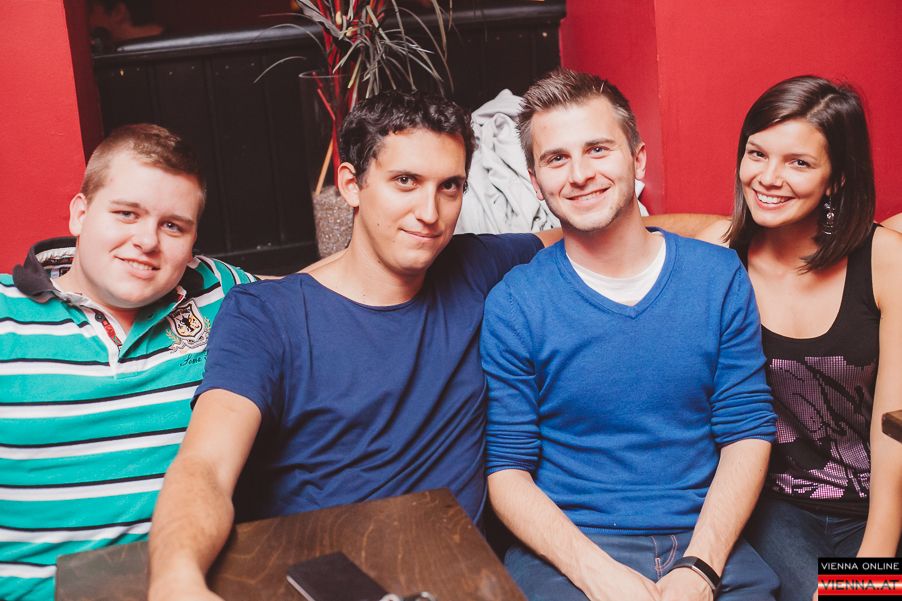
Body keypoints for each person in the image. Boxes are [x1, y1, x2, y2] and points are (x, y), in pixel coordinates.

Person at [147, 91, 559, 600]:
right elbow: (205, 465)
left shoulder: (477, 266)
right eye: (405, 181)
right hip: (320, 580)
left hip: (454, 577)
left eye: (449, 187)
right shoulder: (266, 315)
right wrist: (177, 579)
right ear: (350, 184)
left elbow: (593, 237)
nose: (429, 212)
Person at [481, 68, 780, 601]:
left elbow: (748, 429)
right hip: (575, 548)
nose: (579, 174)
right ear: (535, 181)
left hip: (727, 532)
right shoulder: (515, 302)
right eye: (556, 158)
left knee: (861, 584)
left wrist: (700, 568)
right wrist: (597, 574)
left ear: (638, 160)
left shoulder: (721, 276)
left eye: (598, 149)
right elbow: (507, 469)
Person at [0, 124, 255, 601]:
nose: (147, 241)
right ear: (80, 214)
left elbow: (326, 289)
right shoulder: (5, 317)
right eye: (126, 214)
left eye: (173, 226)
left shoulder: (222, 292)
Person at [698, 75, 902, 601]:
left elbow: (894, 432)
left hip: (883, 504)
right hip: (778, 508)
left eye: (799, 163)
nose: (768, 178)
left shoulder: (886, 261)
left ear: (837, 178)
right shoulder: (718, 257)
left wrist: (869, 574)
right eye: (757, 154)